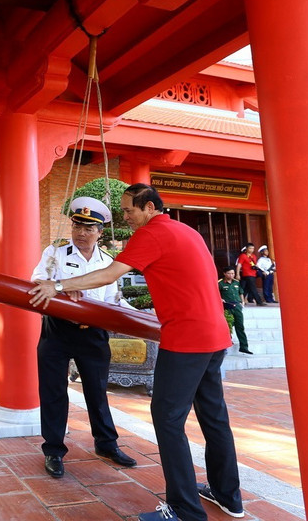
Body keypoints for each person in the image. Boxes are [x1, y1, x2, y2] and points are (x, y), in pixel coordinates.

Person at [29, 184, 243, 521]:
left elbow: (111, 276)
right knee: (214, 417)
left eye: (128, 210)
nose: (124, 217)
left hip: (185, 338)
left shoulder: (151, 233)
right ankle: (227, 494)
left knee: (168, 420)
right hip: (214, 335)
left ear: (148, 207)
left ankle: (185, 510)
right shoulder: (185, 230)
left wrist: (58, 286)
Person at [30, 196, 137, 479]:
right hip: (57, 332)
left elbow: (115, 299)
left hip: (94, 335)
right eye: (78, 225)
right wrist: (63, 291)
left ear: (100, 233)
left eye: (89, 228)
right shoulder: (55, 253)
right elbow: (37, 281)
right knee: (53, 392)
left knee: (97, 391)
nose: (81, 232)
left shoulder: (108, 262)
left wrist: (145, 319)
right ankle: (53, 450)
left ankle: (106, 444)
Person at [219, 267, 251, 354]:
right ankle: (227, 343)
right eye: (229, 273)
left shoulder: (236, 282)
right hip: (227, 306)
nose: (231, 275)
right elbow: (216, 293)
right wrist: (221, 300)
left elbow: (240, 292)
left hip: (237, 305)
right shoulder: (220, 283)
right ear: (224, 273)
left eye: (233, 273)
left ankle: (244, 346)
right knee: (228, 325)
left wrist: (242, 302)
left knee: (240, 326)